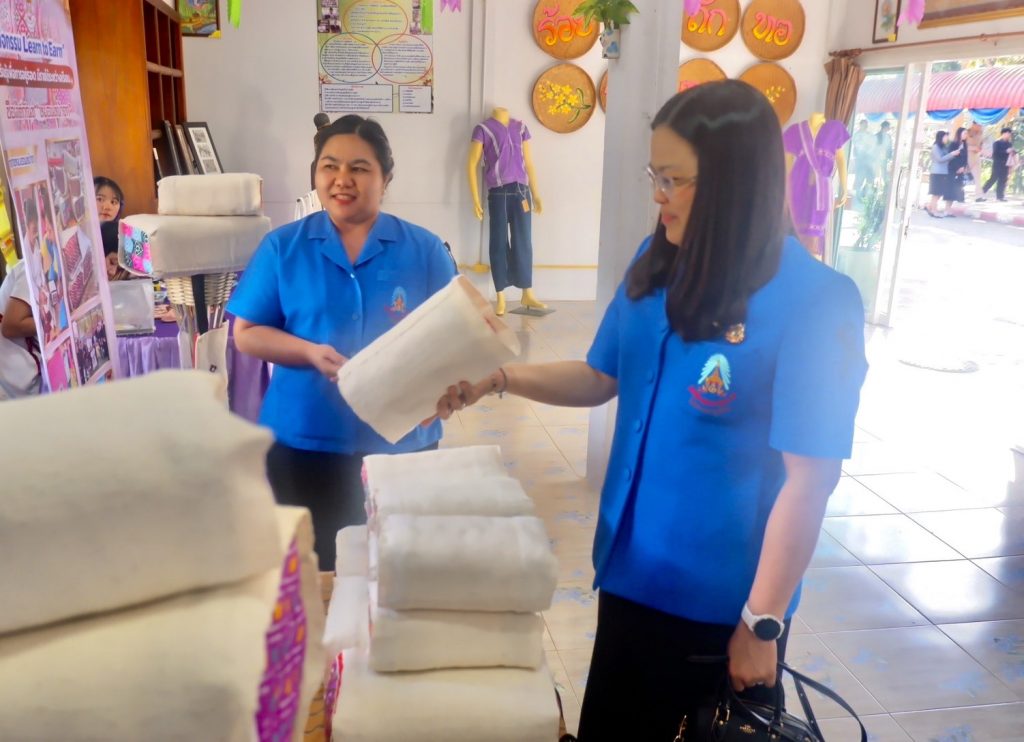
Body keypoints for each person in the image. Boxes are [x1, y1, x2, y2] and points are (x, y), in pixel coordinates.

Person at [434, 81, 868, 740]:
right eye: (653, 175)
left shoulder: (816, 301)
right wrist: (498, 378)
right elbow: (601, 375)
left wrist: (761, 623)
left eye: (675, 179)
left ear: (732, 182)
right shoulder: (655, 262)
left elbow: (810, 483)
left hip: (717, 603)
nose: (657, 195)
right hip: (631, 570)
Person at [229, 115, 457, 571]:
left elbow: (456, 337)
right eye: (329, 166)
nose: (342, 179)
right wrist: (308, 352)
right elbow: (247, 334)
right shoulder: (284, 247)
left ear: (386, 178)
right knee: (316, 572)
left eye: (360, 167)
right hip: (303, 443)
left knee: (396, 569)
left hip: (402, 443)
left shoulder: (425, 250)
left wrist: (451, 388)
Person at [0, 260, 42, 400]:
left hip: (21, 371)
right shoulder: (32, 266)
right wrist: (54, 322)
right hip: (11, 375)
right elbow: (11, 325)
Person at [927, 130, 961, 218]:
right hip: (936, 172)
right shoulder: (935, 147)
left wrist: (953, 154)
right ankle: (934, 210)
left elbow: (947, 158)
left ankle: (931, 207)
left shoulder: (943, 147)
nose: (947, 139)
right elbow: (940, 159)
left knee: (938, 193)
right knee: (936, 193)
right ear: (941, 137)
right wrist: (951, 154)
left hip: (943, 173)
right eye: (945, 137)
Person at [979, 127, 1016, 202]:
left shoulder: (1009, 144)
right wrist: (1006, 151)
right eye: (1008, 133)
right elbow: (995, 154)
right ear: (1003, 133)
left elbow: (1011, 153)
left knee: (1003, 180)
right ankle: (982, 192)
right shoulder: (997, 143)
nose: (1009, 135)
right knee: (993, 179)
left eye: (1010, 134)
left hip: (1005, 164)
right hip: (997, 164)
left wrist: (1013, 152)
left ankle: (1000, 197)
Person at [850, 118, 876, 198]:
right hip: (860, 158)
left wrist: (869, 149)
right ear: (860, 125)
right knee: (859, 177)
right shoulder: (856, 135)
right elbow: (857, 145)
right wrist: (864, 148)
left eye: (866, 125)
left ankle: (866, 194)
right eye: (863, 124)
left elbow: (873, 145)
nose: (865, 126)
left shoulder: (869, 135)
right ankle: (857, 195)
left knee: (869, 177)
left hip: (868, 158)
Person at [946, 127, 969, 204]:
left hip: (961, 170)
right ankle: (947, 209)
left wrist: (964, 167)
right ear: (959, 134)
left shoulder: (965, 145)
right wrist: (957, 167)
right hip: (952, 169)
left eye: (966, 133)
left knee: (959, 186)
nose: (966, 135)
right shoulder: (953, 144)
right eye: (964, 133)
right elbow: (950, 157)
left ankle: (959, 200)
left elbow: (966, 157)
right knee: (950, 189)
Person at [966, 122, 984, 195]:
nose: (980, 126)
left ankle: (978, 195)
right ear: (974, 125)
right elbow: (961, 146)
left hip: (976, 157)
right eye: (979, 124)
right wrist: (972, 148)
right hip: (967, 157)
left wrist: (980, 149)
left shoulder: (981, 133)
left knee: (978, 177)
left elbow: (981, 144)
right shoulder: (966, 133)